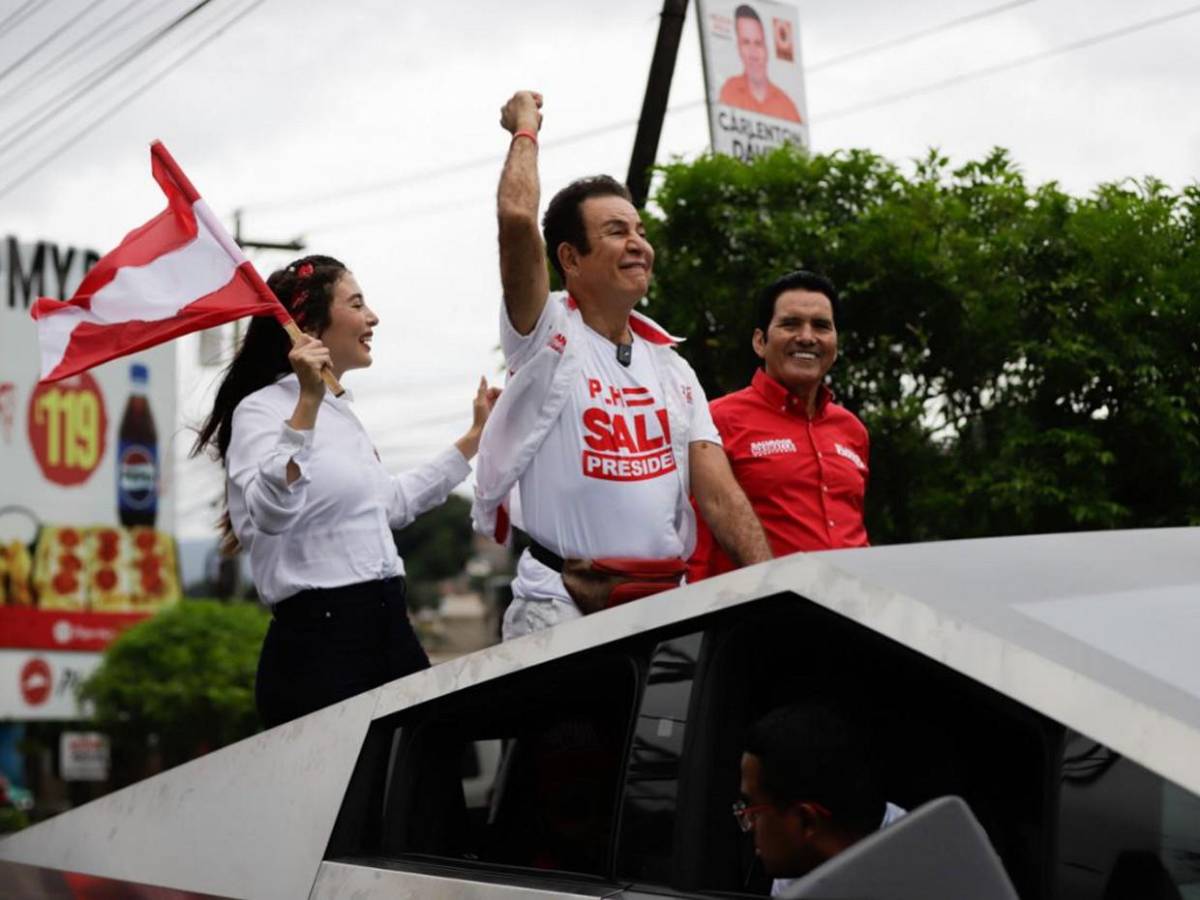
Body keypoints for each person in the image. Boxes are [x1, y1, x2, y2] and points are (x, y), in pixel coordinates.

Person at [474, 90, 772, 640]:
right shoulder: (546, 336)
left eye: (640, 231)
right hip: (560, 605)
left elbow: (720, 495)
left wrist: (772, 585)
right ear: (570, 259)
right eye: (616, 232)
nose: (638, 244)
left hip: (662, 604)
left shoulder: (673, 369)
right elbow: (516, 217)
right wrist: (525, 130)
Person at [193, 255, 497, 728]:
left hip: (390, 630)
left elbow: (390, 504)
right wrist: (307, 402)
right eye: (356, 304)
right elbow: (269, 514)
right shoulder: (261, 410)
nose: (372, 317)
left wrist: (474, 438)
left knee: (431, 768)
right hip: (321, 648)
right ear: (310, 327)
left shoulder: (341, 412)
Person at [688, 270, 868, 582]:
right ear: (760, 342)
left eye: (821, 326)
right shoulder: (715, 420)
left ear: (835, 344)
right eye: (790, 324)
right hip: (759, 605)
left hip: (852, 603)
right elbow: (698, 534)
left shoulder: (852, 430)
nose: (807, 337)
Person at [736, 703, 906, 896]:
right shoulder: (796, 874)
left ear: (806, 820)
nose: (749, 826)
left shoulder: (920, 876)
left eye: (754, 811)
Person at [718, 4, 803, 124]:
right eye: (746, 43)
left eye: (758, 43)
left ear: (767, 49)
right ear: (738, 48)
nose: (753, 52)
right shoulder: (730, 91)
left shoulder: (787, 106)